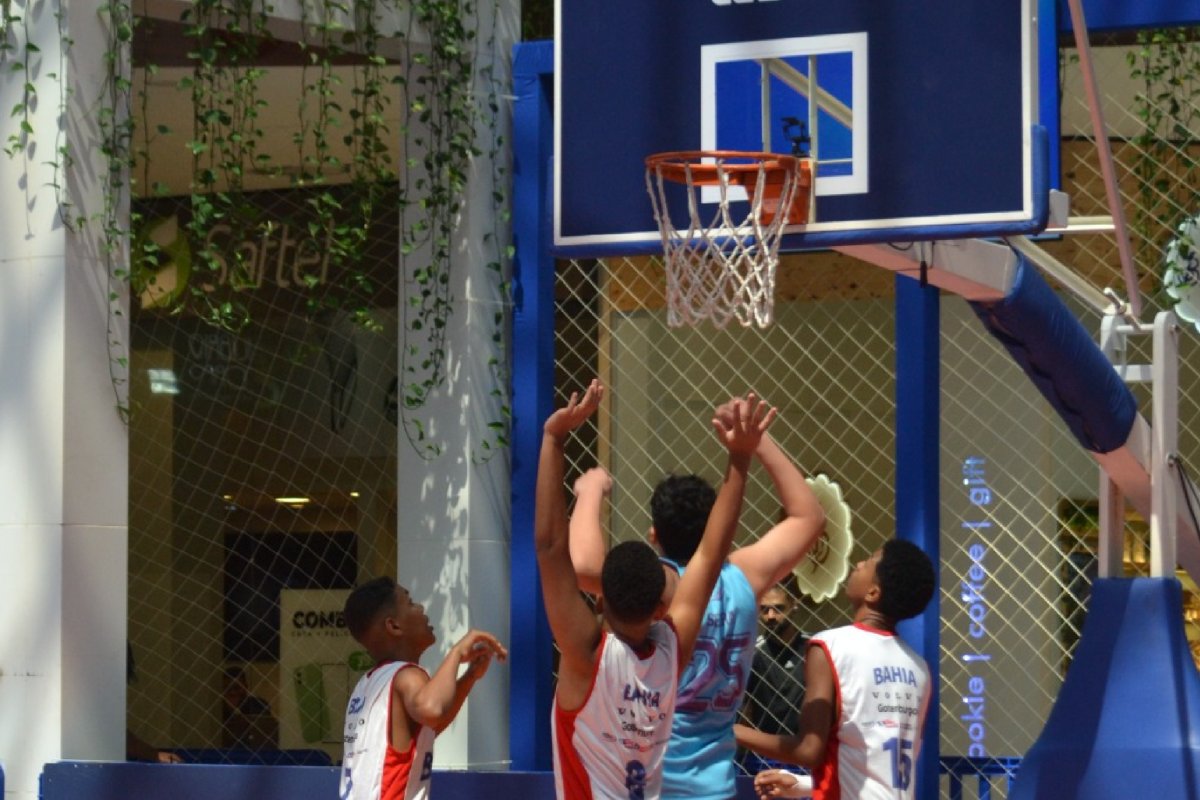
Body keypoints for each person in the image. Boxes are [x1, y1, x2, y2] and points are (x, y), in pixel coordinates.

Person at [570, 398, 826, 800]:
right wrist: (755, 442)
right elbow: (808, 517)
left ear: (654, 534)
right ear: (718, 525)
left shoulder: (660, 585)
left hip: (651, 779)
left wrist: (590, 493)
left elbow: (583, 566)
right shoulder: (744, 576)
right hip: (715, 784)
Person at [537, 379, 774, 800]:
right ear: (660, 609)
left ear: (599, 598)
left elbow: (552, 547)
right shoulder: (671, 653)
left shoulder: (585, 657)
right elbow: (710, 554)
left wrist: (554, 438)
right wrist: (739, 457)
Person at [735, 540, 936, 800]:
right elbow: (878, 766)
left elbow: (809, 750)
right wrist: (805, 784)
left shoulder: (831, 645)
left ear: (873, 593)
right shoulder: (918, 668)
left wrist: (729, 731)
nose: (859, 563)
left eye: (870, 561)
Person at [339, 576, 507, 800]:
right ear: (394, 626)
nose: (420, 607)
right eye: (410, 603)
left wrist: (469, 677)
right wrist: (456, 653)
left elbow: (427, 726)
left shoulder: (368, 684)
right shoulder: (406, 675)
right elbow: (432, 709)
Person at [739, 576, 811, 774]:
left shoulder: (814, 650)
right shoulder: (752, 654)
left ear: (794, 606)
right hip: (763, 755)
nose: (770, 616)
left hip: (804, 752)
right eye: (764, 609)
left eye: (778, 608)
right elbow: (742, 709)